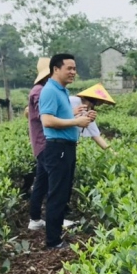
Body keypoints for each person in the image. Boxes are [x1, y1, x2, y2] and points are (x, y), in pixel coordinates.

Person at [39, 53, 94, 250]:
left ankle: (57, 236)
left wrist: (77, 115)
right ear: (56, 69)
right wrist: (75, 121)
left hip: (66, 147)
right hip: (58, 148)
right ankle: (53, 241)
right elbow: (47, 121)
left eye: (74, 68)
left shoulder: (61, 90)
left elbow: (60, 116)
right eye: (69, 68)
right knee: (57, 194)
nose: (73, 72)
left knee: (63, 193)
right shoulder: (50, 91)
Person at [27, 57, 74, 232]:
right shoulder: (43, 91)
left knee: (42, 182)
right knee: (57, 187)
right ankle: (55, 224)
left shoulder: (39, 90)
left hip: (41, 143)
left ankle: (35, 218)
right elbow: (47, 118)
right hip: (47, 143)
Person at [69, 83, 117, 153]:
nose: (101, 103)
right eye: (101, 101)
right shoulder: (72, 101)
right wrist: (73, 114)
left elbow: (96, 135)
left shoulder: (88, 112)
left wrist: (112, 152)